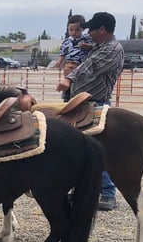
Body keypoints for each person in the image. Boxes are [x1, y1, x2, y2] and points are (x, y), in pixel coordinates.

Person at [56, 11, 124, 211]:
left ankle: (108, 193)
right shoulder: (101, 46)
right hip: (84, 103)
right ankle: (83, 189)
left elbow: (91, 65)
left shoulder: (112, 49)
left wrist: (69, 78)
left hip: (96, 102)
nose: (88, 33)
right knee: (80, 148)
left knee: (96, 148)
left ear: (102, 30)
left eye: (91, 29)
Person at [53, 14, 93, 100]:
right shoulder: (67, 41)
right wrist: (59, 61)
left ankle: (79, 98)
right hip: (69, 64)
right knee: (67, 81)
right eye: (71, 30)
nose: (74, 32)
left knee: (79, 83)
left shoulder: (87, 38)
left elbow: (94, 46)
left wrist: (86, 46)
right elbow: (63, 52)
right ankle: (66, 98)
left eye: (77, 30)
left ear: (83, 29)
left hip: (80, 65)